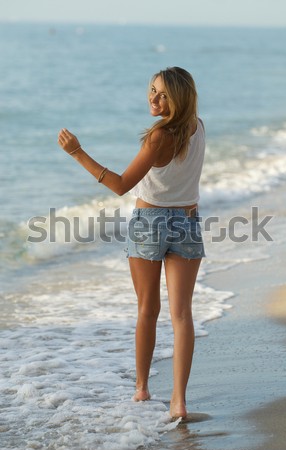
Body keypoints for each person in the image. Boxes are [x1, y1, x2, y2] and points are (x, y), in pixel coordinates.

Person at [58, 66, 205, 419]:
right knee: (182, 315)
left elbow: (122, 184)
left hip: (150, 222)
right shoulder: (198, 127)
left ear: (177, 98)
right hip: (186, 222)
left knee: (147, 310)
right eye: (152, 90)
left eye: (163, 94)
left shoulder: (158, 137)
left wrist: (78, 152)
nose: (153, 98)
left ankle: (141, 388)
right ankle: (178, 402)